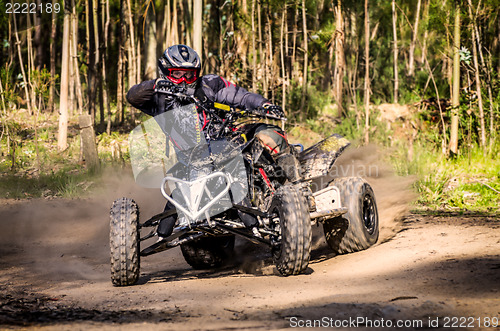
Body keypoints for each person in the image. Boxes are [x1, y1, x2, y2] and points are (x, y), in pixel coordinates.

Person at [127, 44, 287, 239]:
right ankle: (167, 230)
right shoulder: (158, 97)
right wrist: (155, 85)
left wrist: (264, 104)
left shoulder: (209, 84)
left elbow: (241, 96)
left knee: (268, 134)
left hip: (227, 143)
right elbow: (133, 96)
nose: (184, 80)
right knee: (182, 196)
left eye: (189, 74)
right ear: (165, 72)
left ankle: (291, 185)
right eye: (177, 74)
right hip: (190, 161)